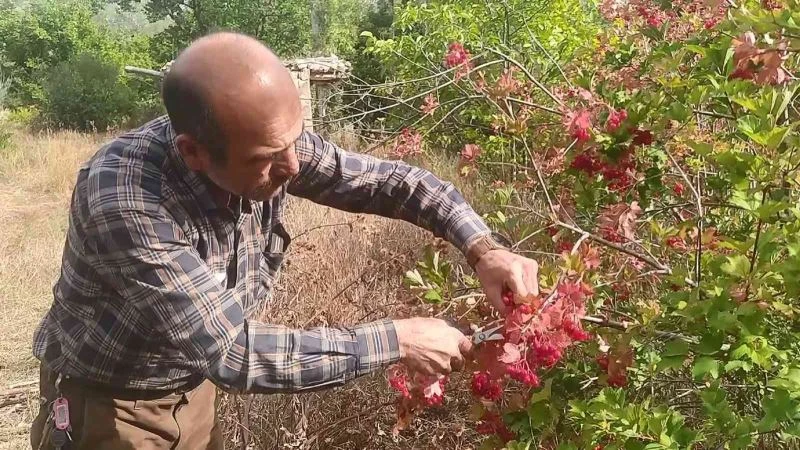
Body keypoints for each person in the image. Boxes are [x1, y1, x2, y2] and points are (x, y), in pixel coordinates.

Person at [29, 32, 540, 450]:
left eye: (294, 141)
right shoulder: (125, 196)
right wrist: (397, 339)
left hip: (192, 389)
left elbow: (393, 183)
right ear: (194, 153)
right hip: (109, 409)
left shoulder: (267, 143)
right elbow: (233, 352)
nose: (293, 166)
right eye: (267, 158)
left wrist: (485, 249)